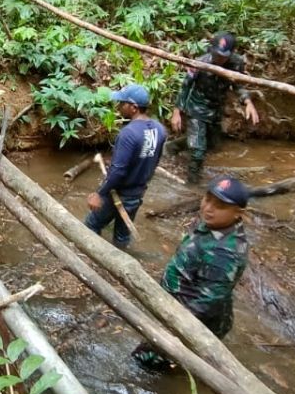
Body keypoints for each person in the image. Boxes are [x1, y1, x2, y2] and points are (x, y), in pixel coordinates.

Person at [133, 177, 250, 369]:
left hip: (192, 319)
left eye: (220, 205)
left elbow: (206, 303)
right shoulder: (213, 224)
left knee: (145, 360)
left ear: (238, 213)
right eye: (208, 199)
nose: (208, 208)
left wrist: (170, 331)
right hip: (180, 303)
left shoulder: (226, 254)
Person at [84, 84, 167, 250]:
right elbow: (155, 162)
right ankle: (120, 262)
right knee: (122, 234)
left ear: (133, 107)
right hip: (137, 194)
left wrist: (99, 194)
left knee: (90, 225)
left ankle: (95, 261)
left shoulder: (128, 133)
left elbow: (118, 171)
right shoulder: (160, 129)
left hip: (119, 194)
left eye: (122, 104)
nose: (119, 107)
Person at [170, 32, 260, 184]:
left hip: (216, 109)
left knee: (212, 144)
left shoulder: (236, 64)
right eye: (218, 55)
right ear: (212, 50)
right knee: (198, 152)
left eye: (224, 56)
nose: (220, 59)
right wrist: (177, 112)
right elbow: (185, 87)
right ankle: (192, 184)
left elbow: (238, 85)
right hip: (196, 107)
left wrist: (248, 103)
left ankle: (173, 147)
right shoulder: (200, 63)